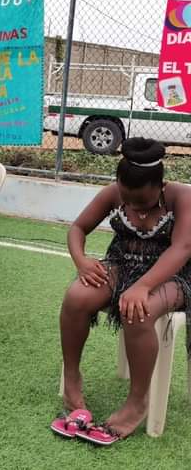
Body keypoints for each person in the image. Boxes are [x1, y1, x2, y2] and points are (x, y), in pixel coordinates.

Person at [53, 138, 191, 445]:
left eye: (142, 201)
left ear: (160, 185)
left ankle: (137, 402)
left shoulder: (182, 197)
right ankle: (73, 380)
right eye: (127, 199)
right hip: (122, 263)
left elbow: (182, 248)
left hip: (176, 275)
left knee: (139, 312)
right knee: (77, 296)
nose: (134, 206)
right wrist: (82, 261)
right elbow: (77, 228)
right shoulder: (113, 193)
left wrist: (143, 286)